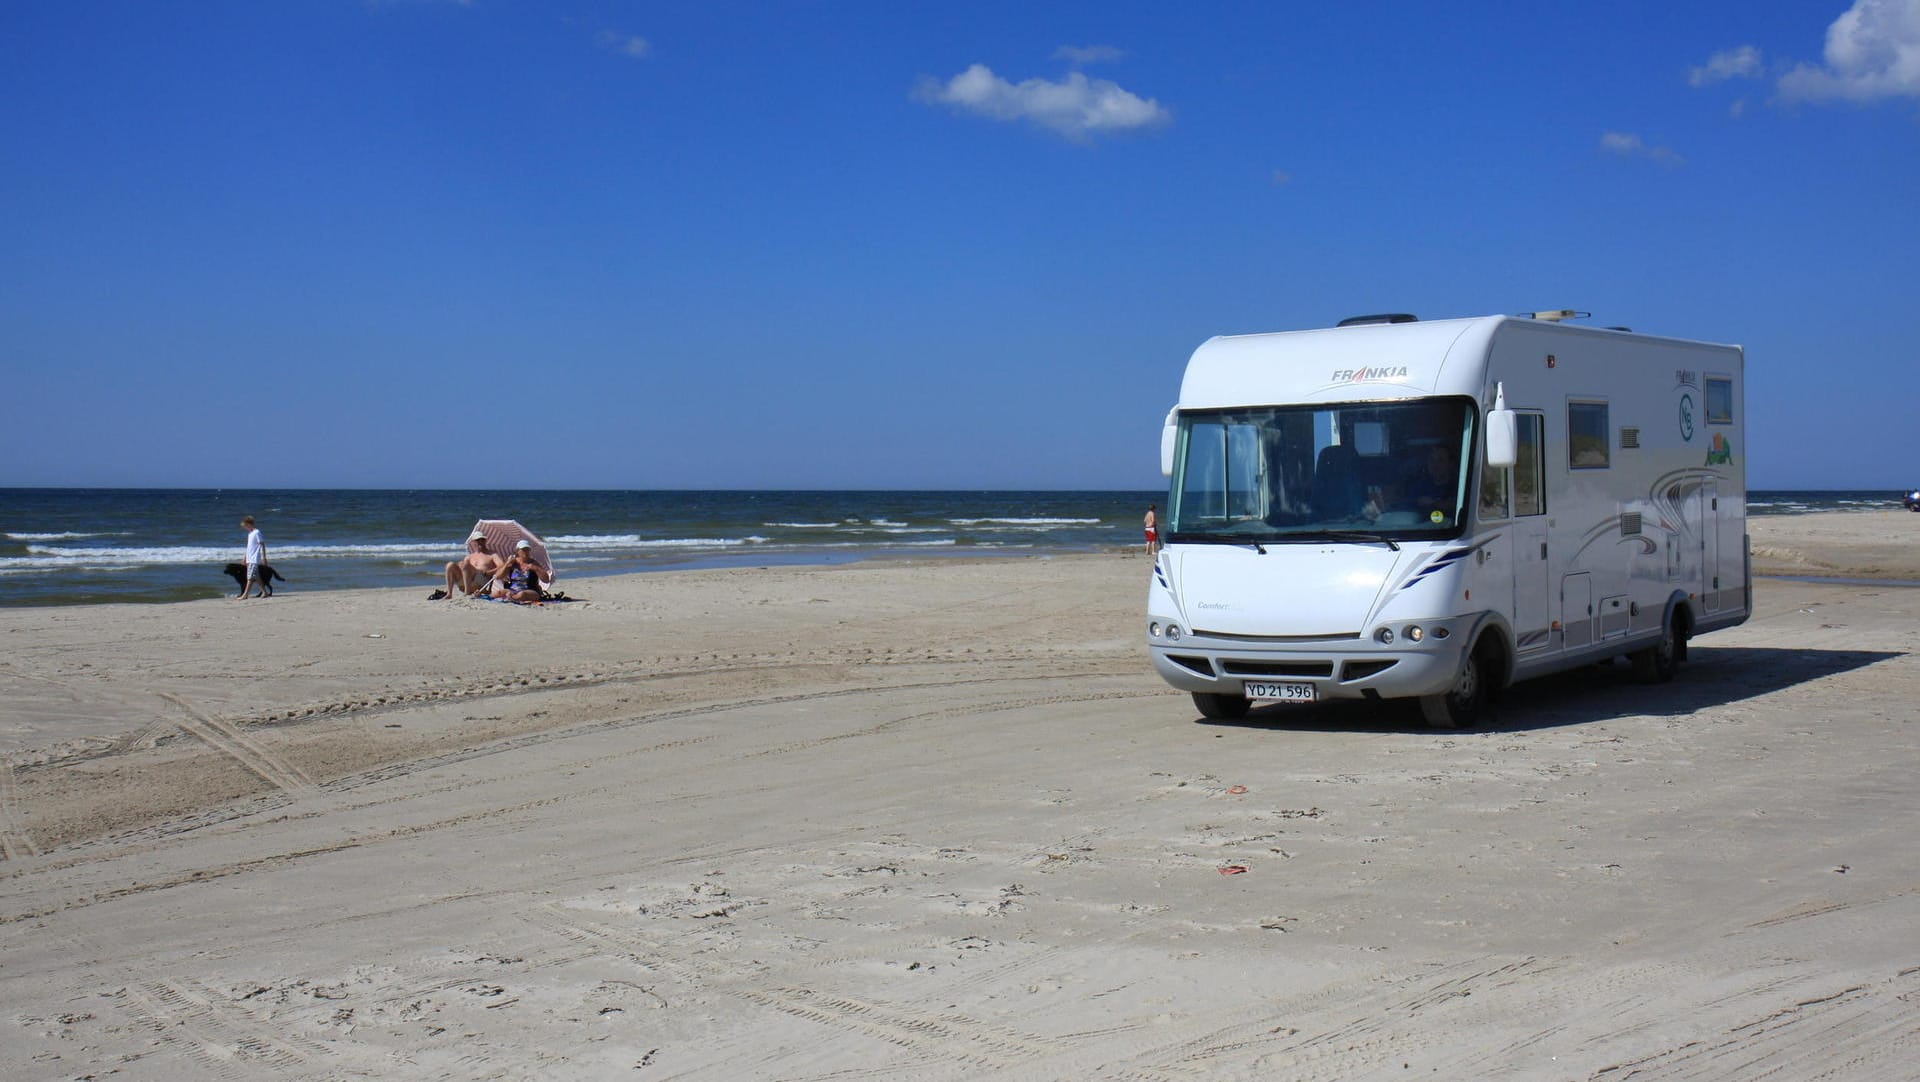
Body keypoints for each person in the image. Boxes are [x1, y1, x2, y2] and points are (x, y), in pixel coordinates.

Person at [443, 531, 505, 599]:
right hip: (466, 581)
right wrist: (460, 565)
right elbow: (463, 568)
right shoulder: (469, 557)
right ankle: (449, 593)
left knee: (466, 564)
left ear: (485, 541)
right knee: (450, 565)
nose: (480, 542)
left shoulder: (492, 554)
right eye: (478, 540)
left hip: (482, 580)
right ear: (473, 542)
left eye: (482, 540)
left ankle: (467, 592)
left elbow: (502, 566)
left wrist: (490, 572)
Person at [235, 516, 267, 599]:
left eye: (245, 526)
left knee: (250, 577)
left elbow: (262, 545)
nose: (245, 528)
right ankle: (265, 592)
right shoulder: (250, 534)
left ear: (249, 524)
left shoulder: (257, 532)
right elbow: (248, 548)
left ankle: (245, 595)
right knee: (256, 576)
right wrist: (245, 558)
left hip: (254, 558)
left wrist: (264, 558)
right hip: (250, 558)